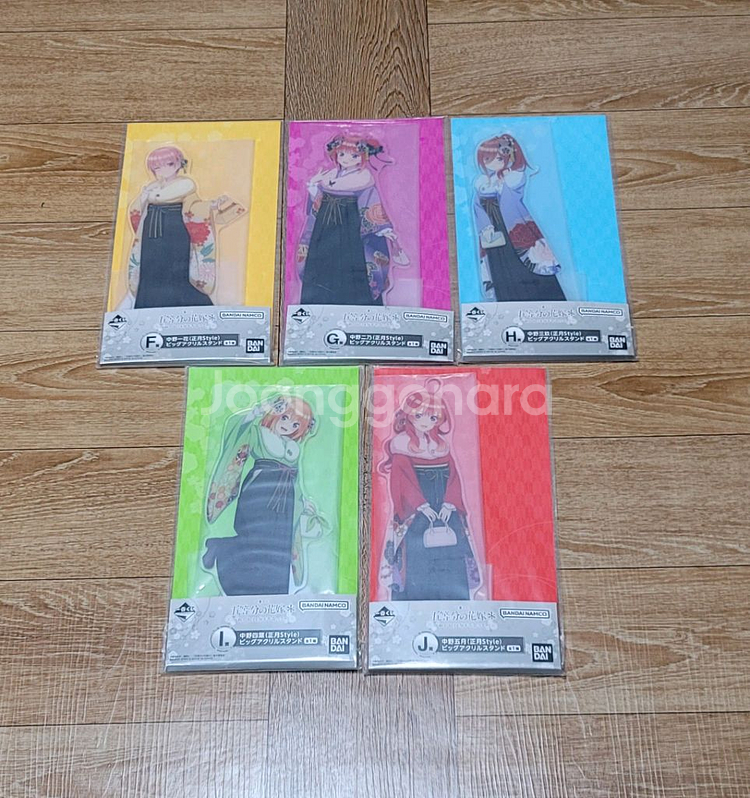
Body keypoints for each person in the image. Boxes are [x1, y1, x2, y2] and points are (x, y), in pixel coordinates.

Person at [297, 134, 406, 306]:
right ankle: (317, 303)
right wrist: (313, 186)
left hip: (350, 227)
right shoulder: (329, 175)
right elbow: (318, 204)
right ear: (335, 154)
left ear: (363, 157)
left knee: (351, 263)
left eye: (354, 156)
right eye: (342, 154)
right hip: (324, 227)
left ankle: (357, 305)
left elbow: (370, 203)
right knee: (321, 262)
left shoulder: (363, 178)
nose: (346, 159)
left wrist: (382, 228)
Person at [474, 134, 566, 302]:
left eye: (498, 158)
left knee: (529, 262)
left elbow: (513, 199)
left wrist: (504, 180)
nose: (492, 163)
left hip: (514, 229)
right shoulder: (482, 184)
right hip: (493, 234)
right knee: (500, 269)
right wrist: (486, 226)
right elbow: (477, 207)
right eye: (487, 159)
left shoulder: (513, 178)